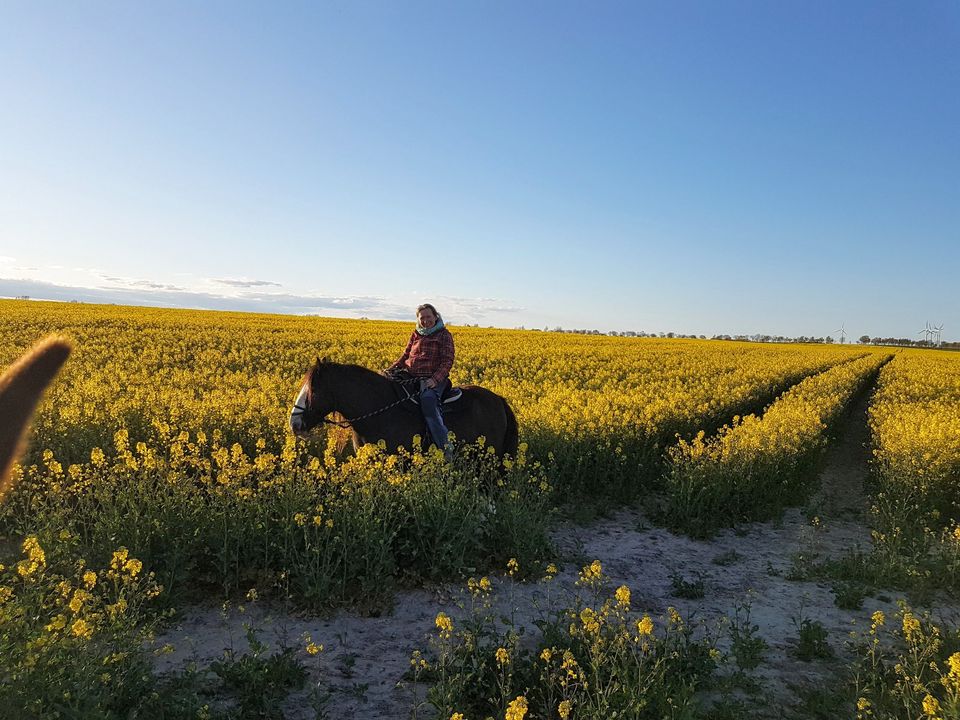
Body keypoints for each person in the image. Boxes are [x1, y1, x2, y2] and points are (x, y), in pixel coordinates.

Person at [385, 303, 455, 456]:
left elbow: (447, 361)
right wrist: (390, 370)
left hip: (433, 379)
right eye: (422, 318)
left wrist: (434, 380)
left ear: (435, 316)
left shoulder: (444, 334)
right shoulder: (416, 333)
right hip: (411, 377)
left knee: (428, 401)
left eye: (428, 317)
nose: (425, 321)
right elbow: (405, 356)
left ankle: (445, 448)